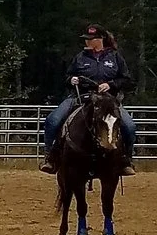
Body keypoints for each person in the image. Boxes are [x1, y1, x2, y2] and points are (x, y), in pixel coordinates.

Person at [41, 24, 135, 173]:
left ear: (100, 39)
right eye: (86, 39)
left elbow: (127, 80)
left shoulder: (115, 57)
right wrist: (71, 80)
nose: (87, 42)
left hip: (108, 100)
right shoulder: (80, 57)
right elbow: (67, 76)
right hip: (81, 97)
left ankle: (126, 160)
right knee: (53, 120)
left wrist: (110, 84)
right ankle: (50, 157)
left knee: (129, 126)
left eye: (91, 39)